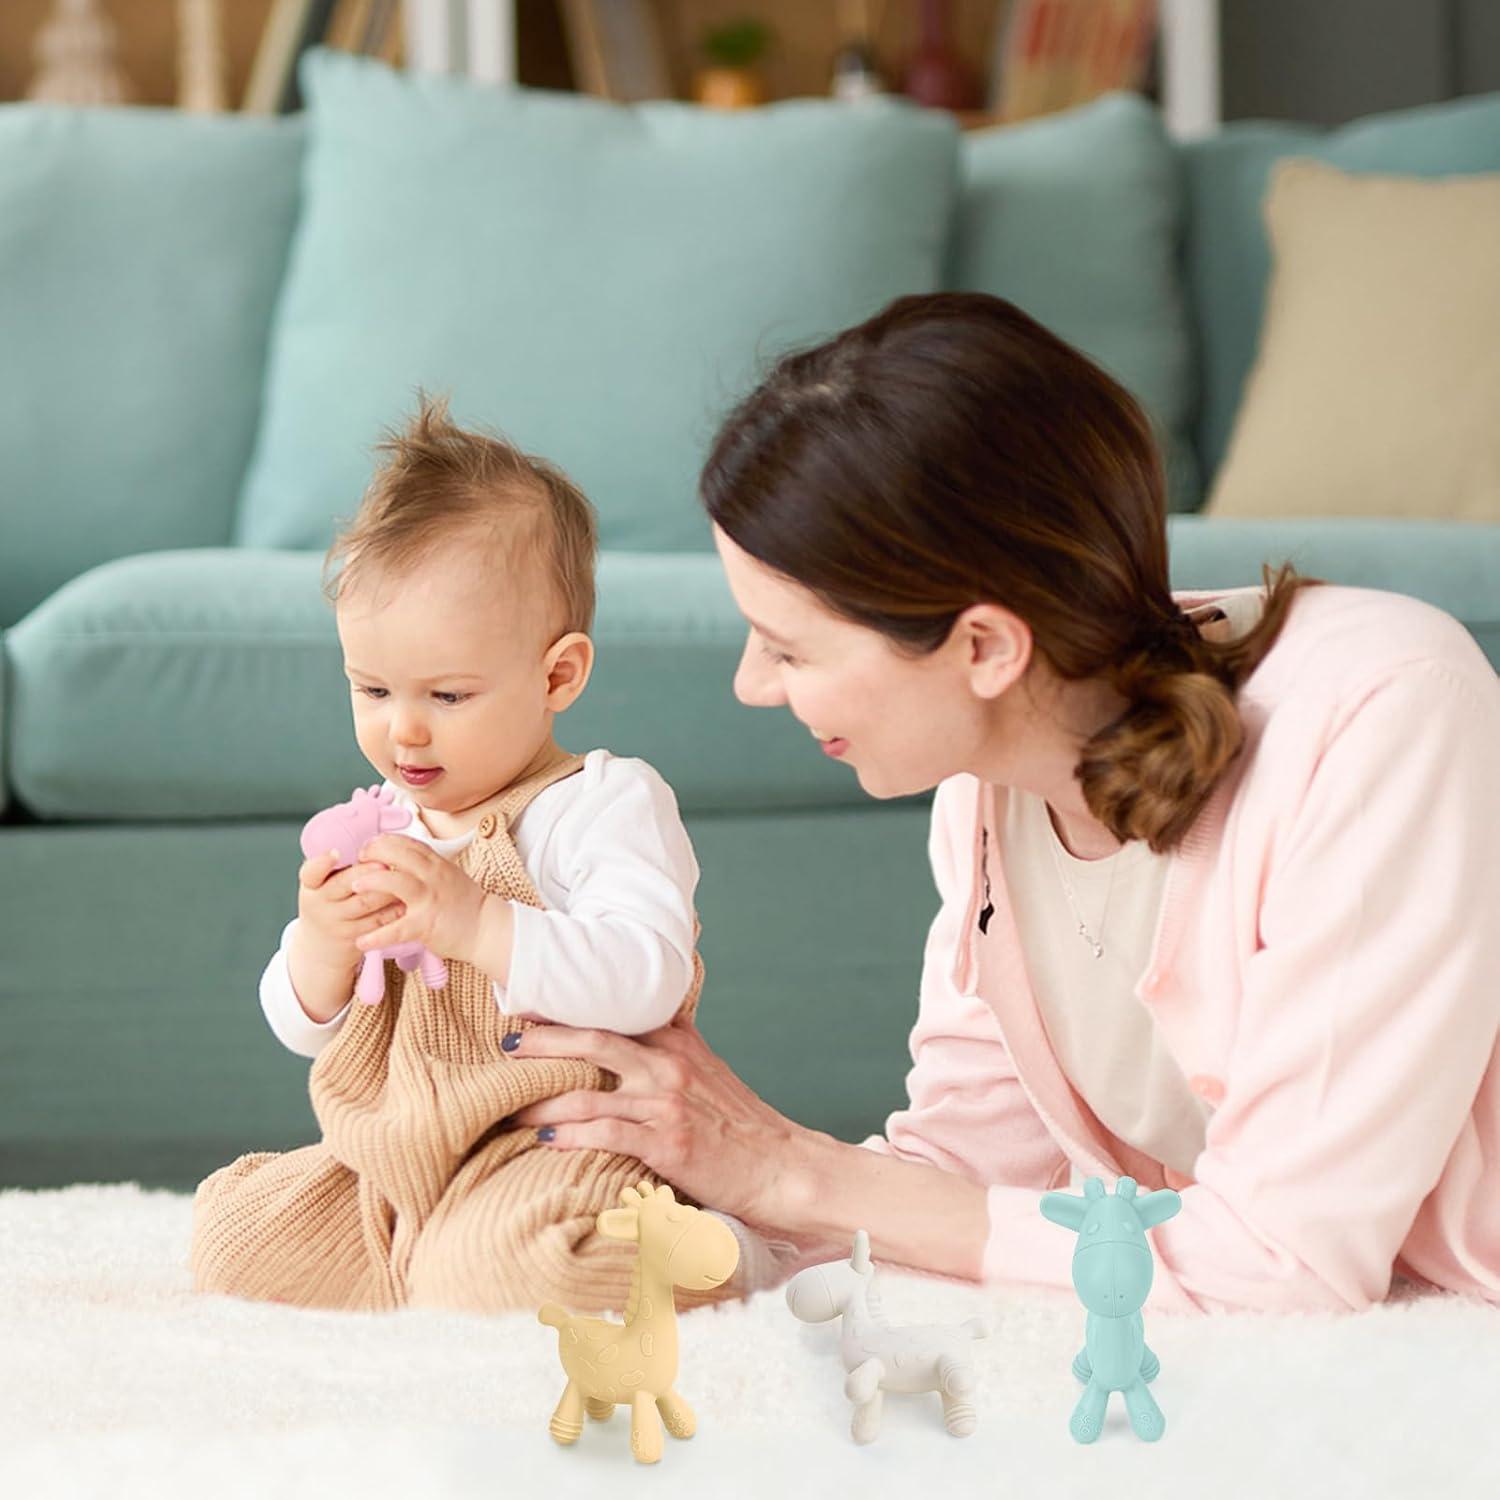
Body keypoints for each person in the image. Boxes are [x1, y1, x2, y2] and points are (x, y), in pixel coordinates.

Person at [499, 292, 1500, 1316]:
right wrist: (698, 1234)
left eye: (791, 649)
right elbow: (966, 1177)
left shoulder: (1384, 715)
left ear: (983, 647)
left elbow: (1284, 1264)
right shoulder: (988, 787)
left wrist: (792, 1171)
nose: (752, 685)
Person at [189, 395, 782, 1314]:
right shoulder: (386, 824)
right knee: (231, 1236)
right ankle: (421, 1256)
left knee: (520, 1269)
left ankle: (718, 1250)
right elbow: (302, 1028)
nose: (404, 729)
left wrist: (476, 923)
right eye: (372, 690)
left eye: (448, 695)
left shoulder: (602, 802)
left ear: (558, 675)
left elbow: (648, 978)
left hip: (554, 1146)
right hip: (401, 1156)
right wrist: (322, 947)